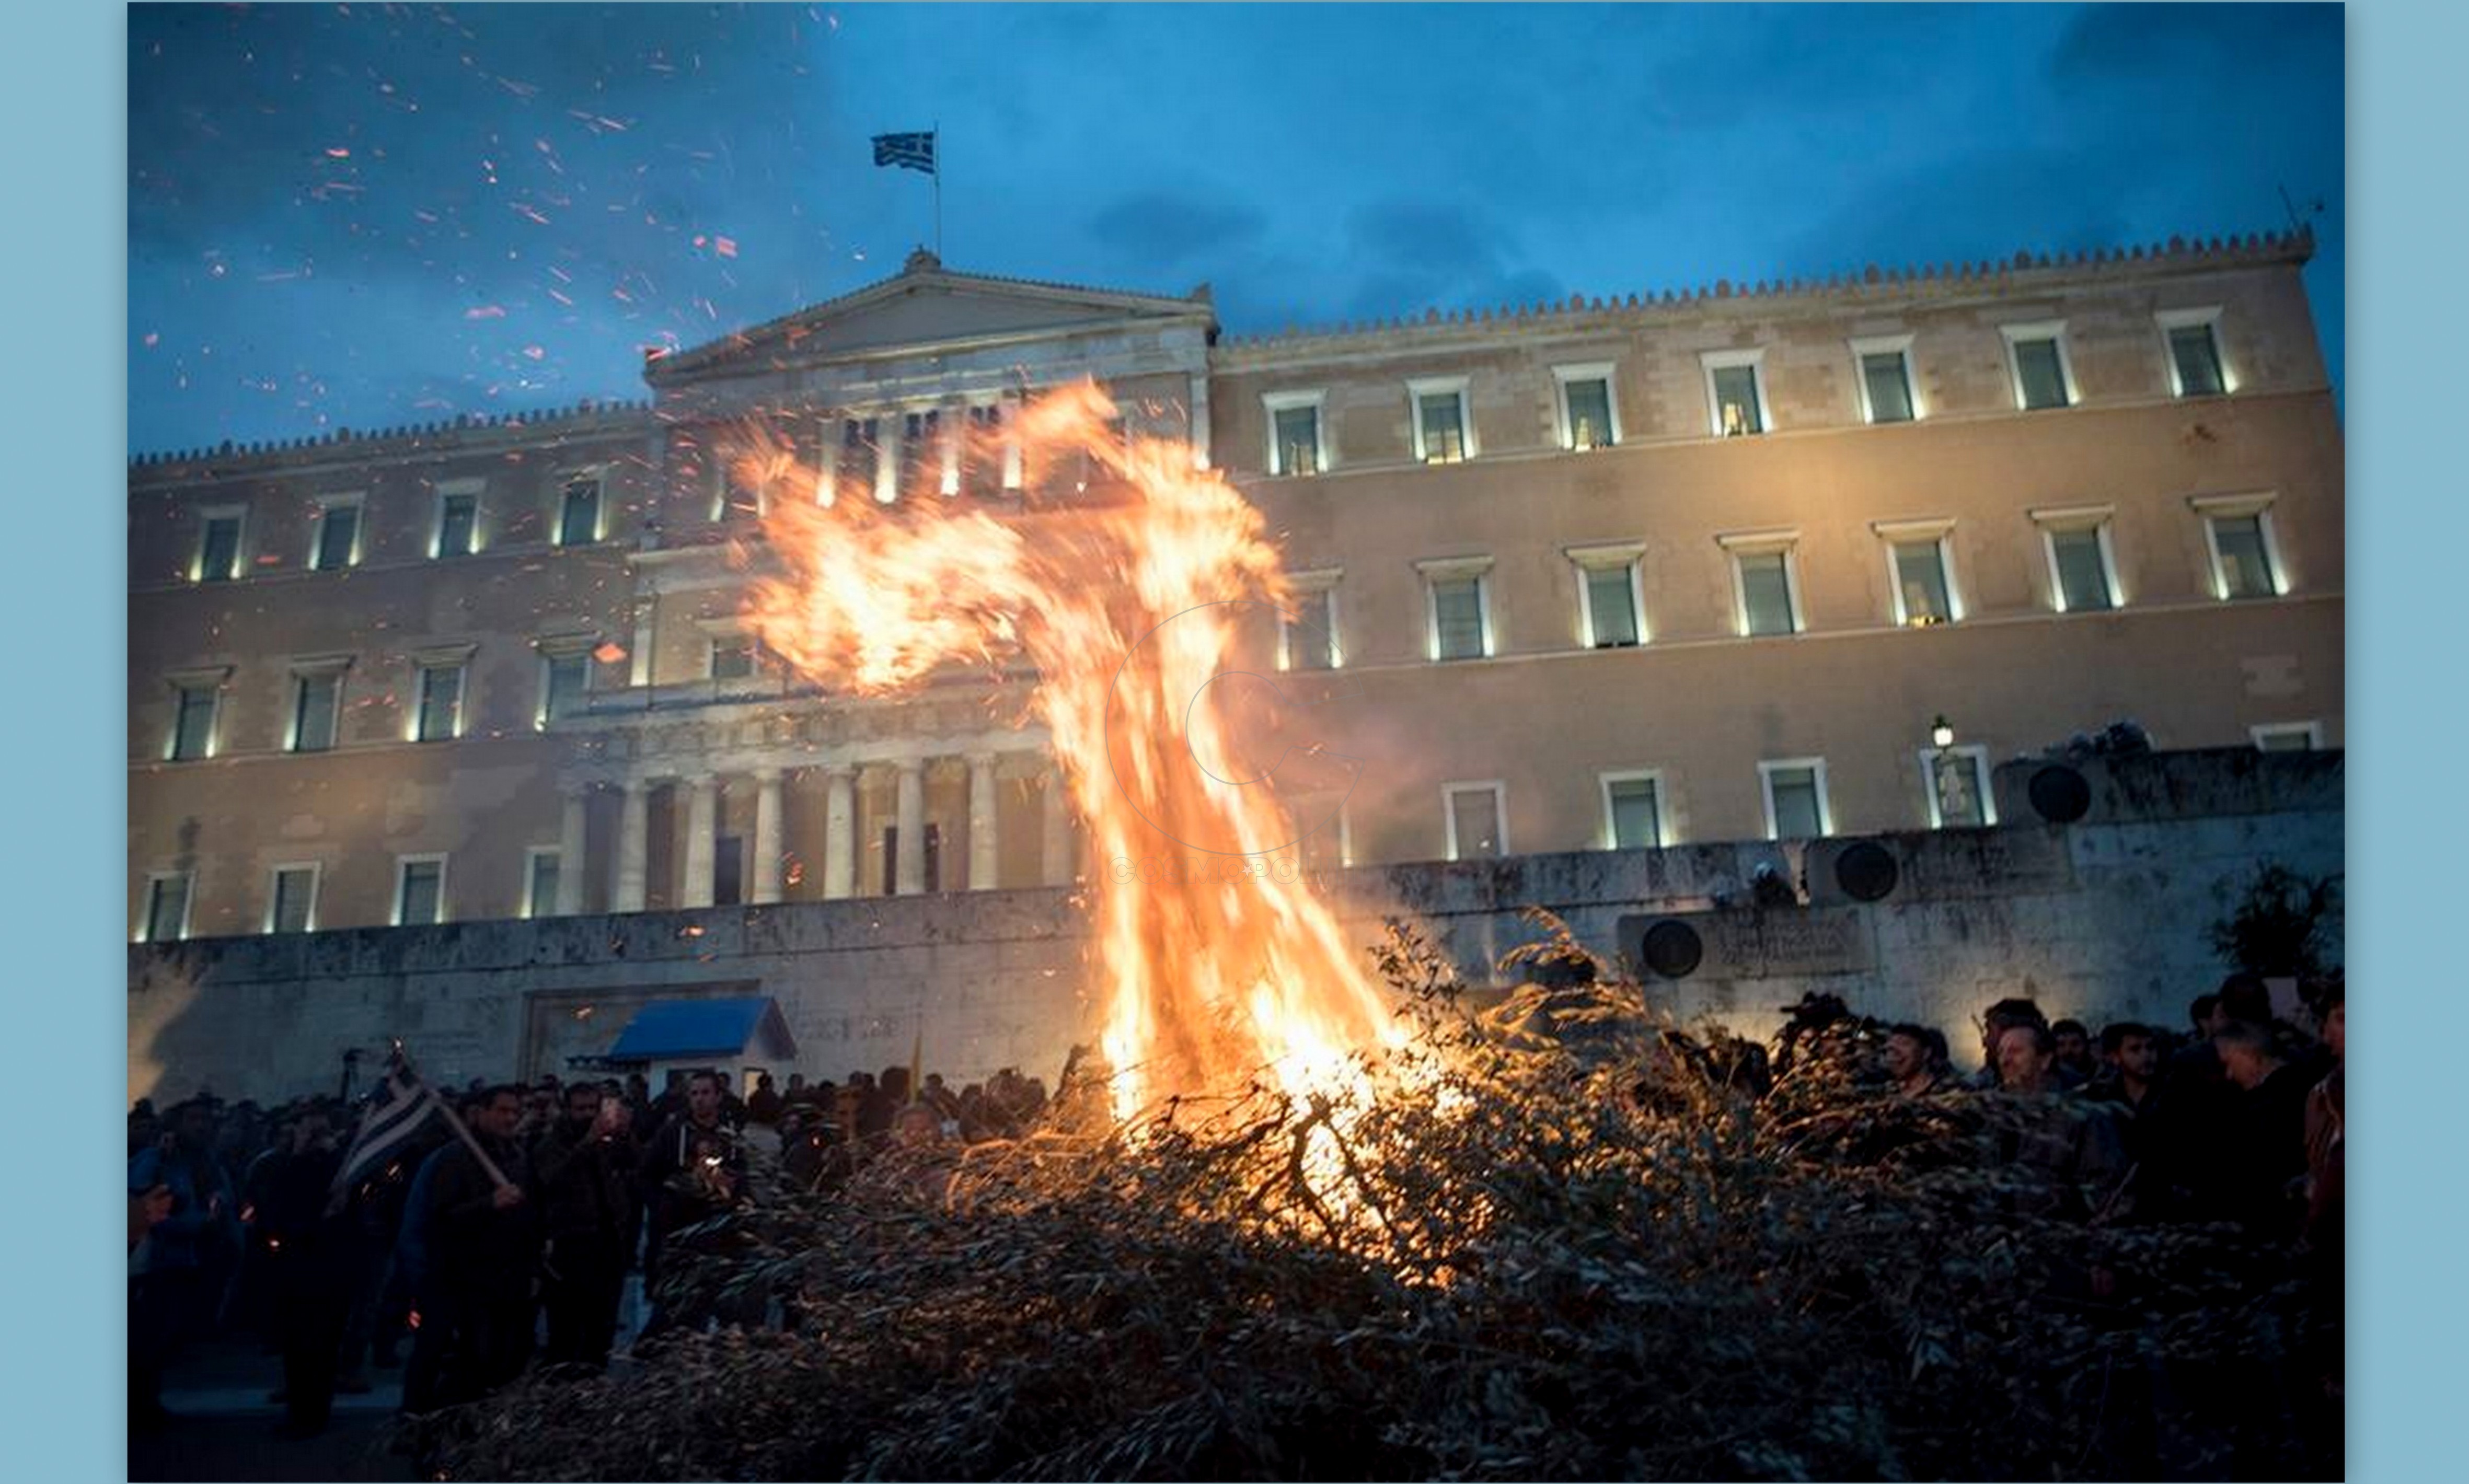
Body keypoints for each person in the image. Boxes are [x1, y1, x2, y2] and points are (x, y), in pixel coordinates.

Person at [404, 1086, 538, 1413]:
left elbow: (531, 1215)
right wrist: (489, 1204)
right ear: (480, 1113)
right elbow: (440, 1220)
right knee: (440, 1352)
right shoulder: (452, 1160)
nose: (510, 1118)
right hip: (458, 1278)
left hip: (505, 1278)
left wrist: (533, 1262)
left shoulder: (518, 1157)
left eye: (514, 1111)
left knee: (494, 1355)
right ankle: (418, 1418)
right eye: (502, 1110)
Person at [129, 1099, 241, 1432]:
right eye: (193, 1119)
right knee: (143, 1341)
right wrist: (198, 1224)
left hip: (190, 1262)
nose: (201, 1126)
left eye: (206, 1120)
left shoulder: (208, 1162)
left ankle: (149, 1402)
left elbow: (225, 1200)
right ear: (177, 1125)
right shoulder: (156, 1160)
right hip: (153, 1265)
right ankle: (137, 1409)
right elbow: (144, 1212)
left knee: (164, 1339)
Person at [253, 1104, 357, 1437]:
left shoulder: (338, 1166)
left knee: (323, 1348)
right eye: (310, 1131)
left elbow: (348, 1210)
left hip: (329, 1269)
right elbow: (273, 1208)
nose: (316, 1139)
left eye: (322, 1132)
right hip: (294, 1269)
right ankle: (302, 1410)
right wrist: (297, 1155)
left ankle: (315, 1411)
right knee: (298, 1348)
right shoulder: (276, 1165)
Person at [532, 1081, 638, 1370]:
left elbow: (633, 1164)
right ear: (568, 1110)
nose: (588, 1115)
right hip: (571, 1248)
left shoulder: (605, 1142)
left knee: (600, 1328)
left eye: (593, 1108)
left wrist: (625, 1134)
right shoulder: (550, 1145)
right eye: (581, 1109)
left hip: (607, 1245)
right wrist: (586, 1144)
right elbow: (552, 1181)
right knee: (566, 1333)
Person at [1991, 1024, 2132, 1223]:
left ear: (2045, 1060)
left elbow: (2106, 1189)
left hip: (2060, 1241)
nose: (2005, 1060)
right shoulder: (1998, 1117)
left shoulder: (2080, 1118)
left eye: (2016, 1051)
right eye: (2001, 1053)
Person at [2213, 1021, 2311, 1240]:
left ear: (2248, 1055)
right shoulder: (2307, 1084)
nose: (2229, 1075)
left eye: (2229, 1063)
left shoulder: (2269, 1104)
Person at [1967, 998, 2049, 1089]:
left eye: (1990, 1032)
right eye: (2001, 1051)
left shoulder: (2063, 1092)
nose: (1985, 1042)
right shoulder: (1991, 1077)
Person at [1883, 1023, 1952, 1098]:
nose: (1893, 1052)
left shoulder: (1949, 1090)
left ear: (1926, 1053)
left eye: (1904, 1043)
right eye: (1890, 1047)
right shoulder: (1887, 1090)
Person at [2050, 1019, 2097, 1088]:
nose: (2068, 1051)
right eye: (2061, 1045)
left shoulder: (2101, 1075)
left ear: (2087, 1046)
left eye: (2075, 1044)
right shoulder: (2047, 1081)